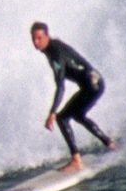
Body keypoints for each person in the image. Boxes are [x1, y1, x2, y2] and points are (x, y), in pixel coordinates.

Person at [30, 21, 115, 172]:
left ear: (47, 36)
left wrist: (52, 112)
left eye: (39, 38)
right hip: (96, 81)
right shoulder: (54, 46)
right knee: (78, 115)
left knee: (62, 118)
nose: (36, 42)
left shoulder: (55, 54)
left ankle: (76, 160)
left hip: (92, 85)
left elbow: (61, 87)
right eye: (33, 39)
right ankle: (109, 143)